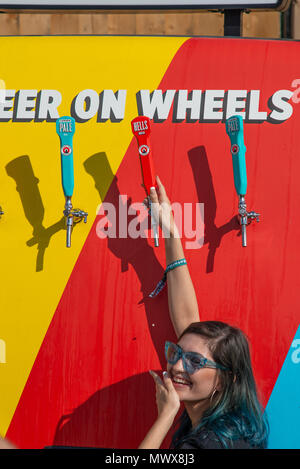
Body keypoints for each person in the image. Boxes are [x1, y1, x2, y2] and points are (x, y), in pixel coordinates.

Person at [138, 175, 268, 450]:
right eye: (176, 352)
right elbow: (188, 323)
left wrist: (166, 415)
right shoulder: (228, 425)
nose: (176, 366)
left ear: (224, 379)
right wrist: (170, 232)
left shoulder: (206, 444)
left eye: (194, 362)